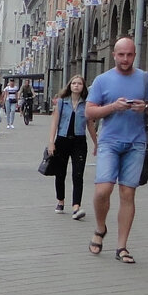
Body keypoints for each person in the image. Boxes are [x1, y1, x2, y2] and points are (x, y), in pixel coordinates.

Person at [85, 36, 148, 264]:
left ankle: (122, 247)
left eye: (129, 55)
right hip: (109, 141)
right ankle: (100, 228)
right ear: (114, 55)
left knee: (127, 194)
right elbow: (90, 113)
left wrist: (146, 107)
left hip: (136, 143)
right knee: (103, 190)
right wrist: (112, 107)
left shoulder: (146, 80)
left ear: (135, 55)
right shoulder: (102, 80)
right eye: (121, 55)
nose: (125, 59)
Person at [48, 75, 97, 220]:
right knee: (60, 173)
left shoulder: (87, 104)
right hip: (62, 140)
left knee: (78, 174)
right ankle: (60, 200)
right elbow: (54, 122)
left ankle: (76, 206)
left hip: (79, 142)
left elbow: (90, 125)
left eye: (79, 84)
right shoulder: (62, 102)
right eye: (74, 83)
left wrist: (96, 143)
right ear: (70, 86)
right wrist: (51, 142)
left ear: (83, 87)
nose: (76, 86)